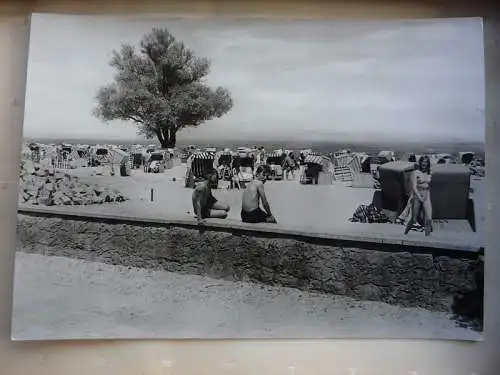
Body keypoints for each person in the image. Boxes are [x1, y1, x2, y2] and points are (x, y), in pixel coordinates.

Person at [404, 156, 433, 236]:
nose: (425, 163)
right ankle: (405, 233)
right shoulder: (415, 172)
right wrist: (419, 197)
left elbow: (430, 185)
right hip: (417, 196)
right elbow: (414, 187)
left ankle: (427, 238)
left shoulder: (430, 172)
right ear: (420, 163)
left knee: (428, 218)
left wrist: (427, 197)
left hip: (427, 195)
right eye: (423, 162)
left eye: (426, 162)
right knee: (414, 219)